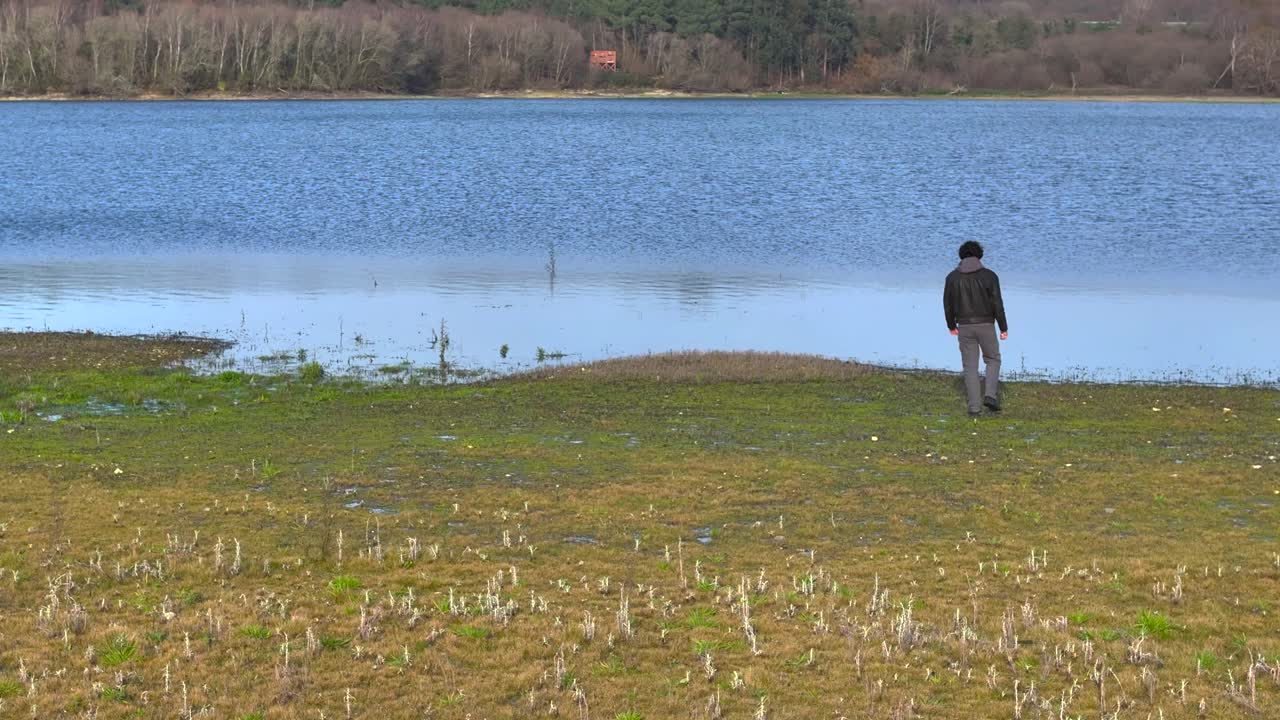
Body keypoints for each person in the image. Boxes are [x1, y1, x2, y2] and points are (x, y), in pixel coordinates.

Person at [943, 241, 1008, 417]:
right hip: (987, 325)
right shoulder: (990, 276)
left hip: (964, 326)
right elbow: (997, 303)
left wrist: (951, 325)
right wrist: (1003, 327)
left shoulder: (952, 278)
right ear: (979, 256)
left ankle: (974, 408)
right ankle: (990, 396)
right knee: (993, 359)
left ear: (961, 256)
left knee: (970, 367)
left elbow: (947, 305)